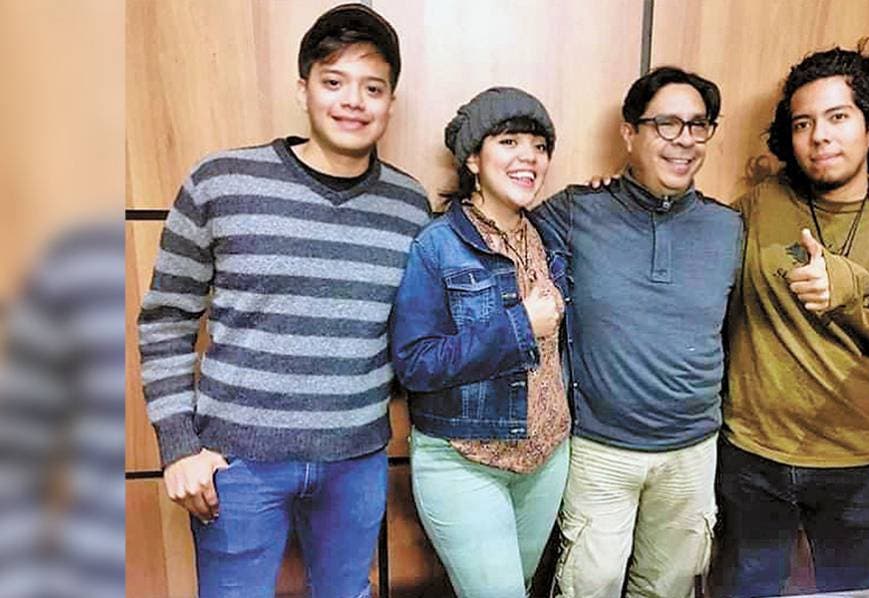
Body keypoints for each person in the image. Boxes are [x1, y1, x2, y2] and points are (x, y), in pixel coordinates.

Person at [136, 5, 430, 596]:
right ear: (303, 89)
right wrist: (179, 447)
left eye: (372, 88)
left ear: (390, 102)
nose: (353, 101)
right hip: (236, 463)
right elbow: (165, 321)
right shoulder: (221, 182)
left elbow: (411, 333)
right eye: (334, 81)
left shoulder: (410, 205)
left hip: (357, 460)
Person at [712, 43, 869, 596]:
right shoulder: (758, 206)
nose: (819, 136)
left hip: (854, 465)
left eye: (838, 117)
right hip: (751, 457)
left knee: (853, 592)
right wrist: (623, 197)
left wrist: (846, 285)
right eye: (803, 123)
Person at [532, 66, 742, 598]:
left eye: (698, 125)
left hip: (693, 450)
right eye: (667, 124)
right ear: (630, 133)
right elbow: (501, 228)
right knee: (589, 586)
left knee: (669, 589)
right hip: (599, 448)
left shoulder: (728, 227)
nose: (684, 140)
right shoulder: (576, 211)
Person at [390, 87, 569, 598]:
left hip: (547, 456)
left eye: (538, 146)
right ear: (473, 158)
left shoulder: (550, 235)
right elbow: (415, 364)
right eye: (509, 142)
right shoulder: (437, 245)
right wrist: (519, 326)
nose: (528, 157)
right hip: (464, 458)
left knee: (520, 586)